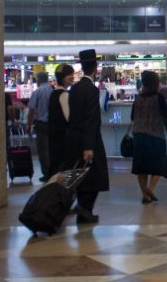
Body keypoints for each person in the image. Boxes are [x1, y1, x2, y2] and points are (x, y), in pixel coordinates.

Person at [65, 49, 110, 224]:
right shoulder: (91, 90)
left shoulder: (74, 89)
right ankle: (85, 208)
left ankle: (83, 210)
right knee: (96, 174)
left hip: (73, 139)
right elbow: (91, 120)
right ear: (95, 68)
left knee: (80, 174)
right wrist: (89, 146)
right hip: (89, 140)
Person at [131, 70, 167, 204]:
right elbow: (166, 117)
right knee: (159, 166)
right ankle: (150, 189)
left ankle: (145, 195)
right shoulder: (159, 98)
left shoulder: (138, 98)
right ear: (155, 83)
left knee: (141, 169)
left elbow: (132, 116)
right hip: (156, 136)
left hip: (139, 136)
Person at [27, 71, 54, 182]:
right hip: (53, 125)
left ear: (38, 80)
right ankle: (54, 172)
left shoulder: (37, 92)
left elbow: (31, 111)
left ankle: (47, 174)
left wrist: (28, 125)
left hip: (41, 125)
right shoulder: (53, 90)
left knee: (43, 150)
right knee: (52, 149)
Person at [48, 64, 74, 177]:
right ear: (62, 77)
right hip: (63, 140)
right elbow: (69, 118)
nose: (72, 77)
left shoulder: (53, 94)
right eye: (69, 74)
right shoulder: (64, 95)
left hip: (54, 139)